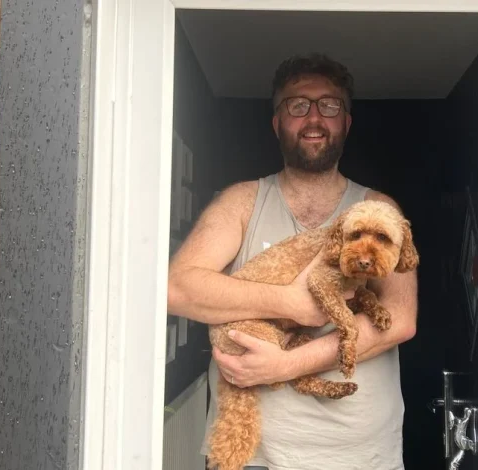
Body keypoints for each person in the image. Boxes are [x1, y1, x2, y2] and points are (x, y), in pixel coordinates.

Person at [166, 53, 418, 470]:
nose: (314, 118)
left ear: (346, 122)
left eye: (329, 105)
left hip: (363, 455)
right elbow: (178, 289)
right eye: (297, 105)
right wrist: (291, 302)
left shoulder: (377, 208)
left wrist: (285, 365)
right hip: (257, 457)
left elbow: (400, 320)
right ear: (277, 123)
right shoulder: (242, 202)